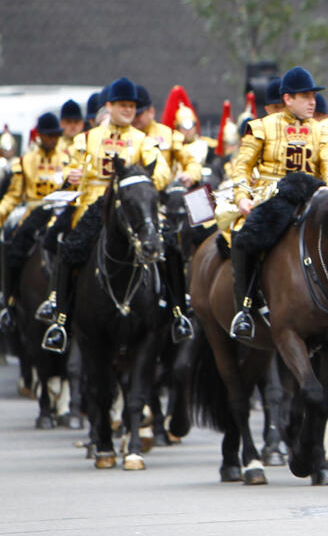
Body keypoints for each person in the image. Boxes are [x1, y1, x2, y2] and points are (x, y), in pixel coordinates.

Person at [39, 78, 171, 353]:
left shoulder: (143, 141)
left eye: (132, 106)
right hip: (93, 205)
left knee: (169, 240)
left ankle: (178, 309)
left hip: (131, 204)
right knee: (67, 245)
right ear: (108, 106)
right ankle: (59, 316)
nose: (128, 110)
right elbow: (67, 169)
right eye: (122, 105)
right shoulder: (87, 138)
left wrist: (139, 182)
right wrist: (69, 175)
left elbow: (162, 172)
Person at [227, 67, 328, 341]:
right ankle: (245, 308)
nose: (312, 102)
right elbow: (241, 168)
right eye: (305, 96)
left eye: (313, 96)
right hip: (270, 199)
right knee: (244, 240)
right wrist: (242, 197)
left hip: (312, 199)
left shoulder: (322, 130)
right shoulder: (261, 127)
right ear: (287, 99)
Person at [0, 113, 71, 332]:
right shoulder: (26, 161)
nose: (53, 140)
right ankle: (9, 301)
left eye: (56, 136)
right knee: (16, 244)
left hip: (60, 211)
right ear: (39, 136)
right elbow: (14, 194)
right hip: (34, 210)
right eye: (48, 136)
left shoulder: (67, 159)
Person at [133, 86, 203, 188]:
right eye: (132, 113)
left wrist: (190, 175)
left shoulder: (167, 134)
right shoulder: (124, 135)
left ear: (151, 112)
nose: (134, 118)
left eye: (138, 114)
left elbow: (191, 162)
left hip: (163, 193)